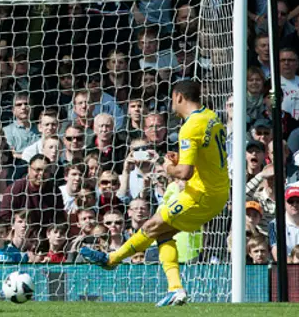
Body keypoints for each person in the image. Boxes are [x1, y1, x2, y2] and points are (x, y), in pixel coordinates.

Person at [79, 80, 230, 307]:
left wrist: (168, 167)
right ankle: (176, 289)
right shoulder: (210, 116)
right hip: (215, 192)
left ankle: (112, 260)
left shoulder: (190, 127)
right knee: (162, 233)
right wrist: (181, 161)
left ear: (178, 96)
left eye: (171, 98)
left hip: (200, 195)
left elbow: (185, 173)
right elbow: (205, 157)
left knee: (150, 226)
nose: (171, 103)